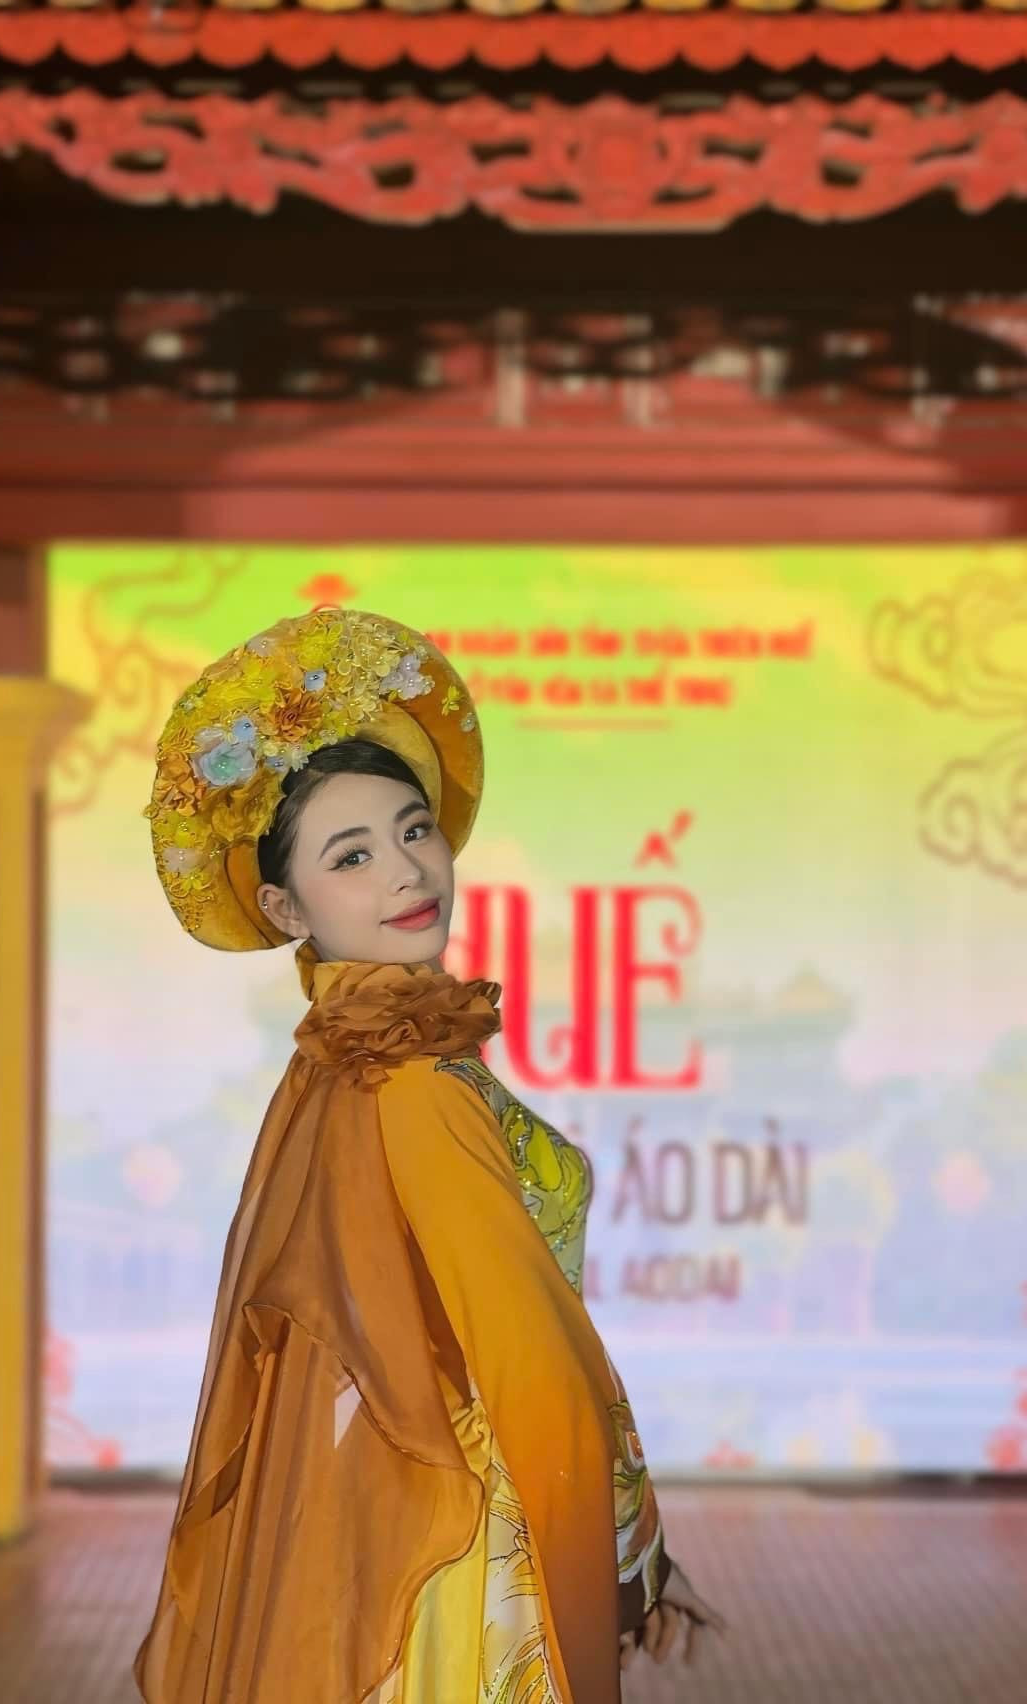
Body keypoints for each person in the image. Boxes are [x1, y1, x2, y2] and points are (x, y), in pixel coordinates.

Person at [135, 606, 726, 1703]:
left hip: (401, 1529)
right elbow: (534, 1366)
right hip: (470, 1554)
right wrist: (627, 1555)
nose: (407, 872)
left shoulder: (350, 1059)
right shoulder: (405, 1075)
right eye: (352, 856)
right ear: (283, 905)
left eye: (415, 831)